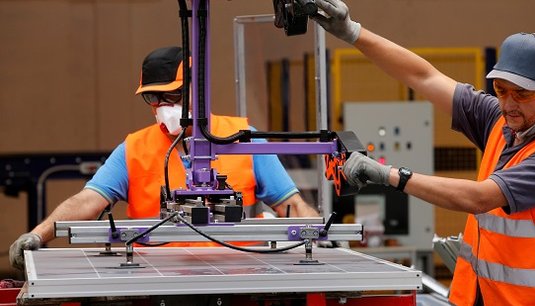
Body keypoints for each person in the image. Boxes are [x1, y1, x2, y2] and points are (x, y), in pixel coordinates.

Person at [312, 1, 535, 305]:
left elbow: (479, 198)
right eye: (501, 90)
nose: (509, 104)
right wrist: (353, 32)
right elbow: (424, 77)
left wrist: (388, 174)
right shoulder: (502, 122)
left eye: (522, 94)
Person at [10, 46, 320, 270]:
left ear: (197, 92)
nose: (160, 106)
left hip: (238, 277)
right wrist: (39, 234)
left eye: (170, 96)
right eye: (152, 97)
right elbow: (88, 201)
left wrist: (318, 236)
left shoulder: (242, 138)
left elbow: (291, 204)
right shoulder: (134, 148)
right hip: (156, 280)